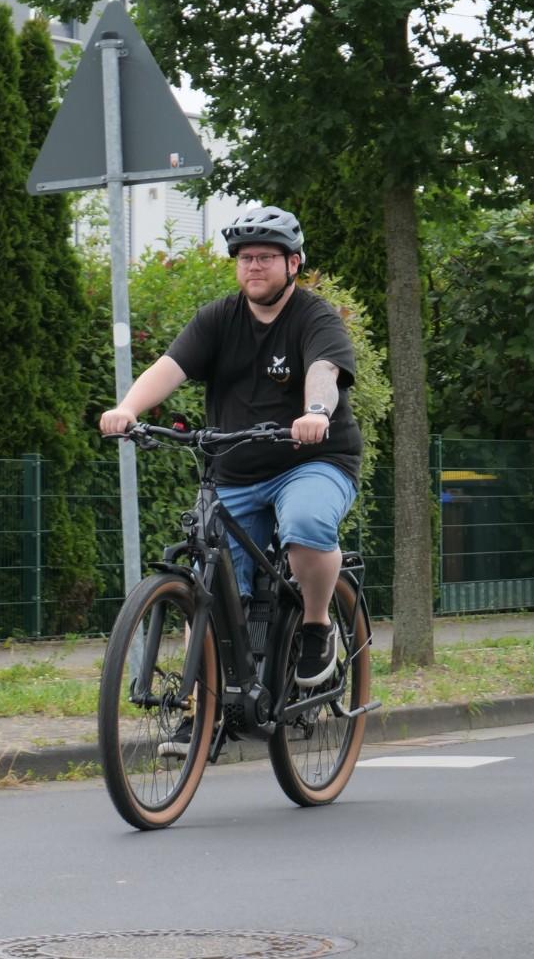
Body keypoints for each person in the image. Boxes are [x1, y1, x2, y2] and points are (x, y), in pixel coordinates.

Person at [98, 205, 362, 747]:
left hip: (311, 462)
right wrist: (127, 408)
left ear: (293, 263)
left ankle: (316, 626)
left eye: (266, 257)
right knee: (207, 583)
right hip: (234, 471)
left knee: (307, 523)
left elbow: (325, 371)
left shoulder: (314, 318)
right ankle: (206, 709)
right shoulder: (218, 318)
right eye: (244, 258)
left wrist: (315, 413)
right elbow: (169, 368)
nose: (253, 266)